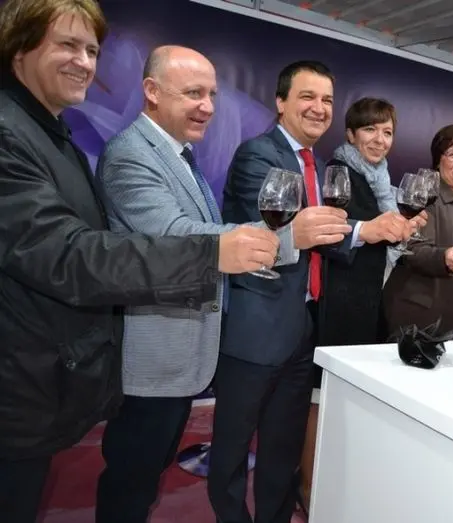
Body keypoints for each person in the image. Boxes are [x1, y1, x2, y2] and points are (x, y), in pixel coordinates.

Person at [0, 1, 279, 522]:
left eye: (91, 50)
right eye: (68, 45)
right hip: (89, 371)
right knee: (128, 481)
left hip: (61, 378)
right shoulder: (109, 149)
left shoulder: (58, 135)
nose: (84, 62)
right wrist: (259, 242)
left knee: (137, 479)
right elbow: (81, 252)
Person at [91, 45, 300, 523]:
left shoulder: (176, 153)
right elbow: (175, 237)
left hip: (180, 360)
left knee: (145, 478)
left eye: (211, 94)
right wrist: (285, 238)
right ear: (151, 91)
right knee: (130, 481)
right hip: (152, 361)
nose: (207, 106)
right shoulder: (130, 154)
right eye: (193, 93)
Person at [208, 61, 410, 523]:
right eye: (307, 97)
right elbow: (272, 233)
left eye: (327, 100)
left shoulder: (315, 164)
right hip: (255, 330)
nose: (319, 108)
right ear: (280, 102)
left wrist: (366, 231)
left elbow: (323, 232)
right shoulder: (258, 154)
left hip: (301, 329)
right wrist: (364, 228)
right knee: (233, 450)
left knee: (282, 448)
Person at [297, 97, 425, 508]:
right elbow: (329, 235)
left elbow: (379, 241)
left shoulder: (379, 178)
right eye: (370, 129)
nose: (380, 139)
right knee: (321, 401)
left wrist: (400, 232)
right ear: (351, 134)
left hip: (364, 303)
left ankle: (334, 482)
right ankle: (307, 488)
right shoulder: (339, 172)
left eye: (387, 132)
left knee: (344, 404)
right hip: (337, 304)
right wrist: (372, 229)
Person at [384, 124, 453, 340]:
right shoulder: (425, 195)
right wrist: (443, 258)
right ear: (438, 159)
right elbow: (411, 249)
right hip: (425, 322)